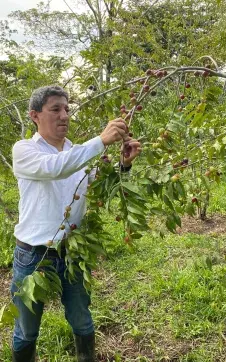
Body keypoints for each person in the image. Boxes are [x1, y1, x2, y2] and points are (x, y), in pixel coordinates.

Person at [10, 85, 141, 362]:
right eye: (55, 109)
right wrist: (101, 141)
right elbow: (57, 168)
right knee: (26, 329)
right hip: (33, 255)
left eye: (67, 109)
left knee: (82, 318)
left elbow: (97, 186)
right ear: (35, 115)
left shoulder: (78, 152)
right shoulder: (24, 150)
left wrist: (123, 166)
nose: (64, 115)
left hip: (72, 252)